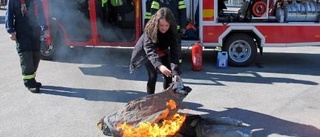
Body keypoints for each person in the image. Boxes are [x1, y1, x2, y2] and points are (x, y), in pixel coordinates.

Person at [130, 7, 181, 94]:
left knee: (169, 75)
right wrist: (160, 66)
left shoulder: (173, 30)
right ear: (157, 23)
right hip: (147, 53)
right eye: (161, 25)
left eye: (166, 25)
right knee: (153, 75)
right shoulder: (150, 29)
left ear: (170, 24)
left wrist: (175, 72)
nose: (164, 28)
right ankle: (150, 98)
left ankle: (166, 97)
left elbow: (175, 52)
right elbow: (149, 50)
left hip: (162, 51)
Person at [5, 0, 48, 93]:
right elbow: (9, 14)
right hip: (22, 31)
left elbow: (41, 13)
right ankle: (29, 82)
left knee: (36, 55)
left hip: (35, 30)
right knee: (26, 56)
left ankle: (32, 79)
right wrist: (11, 31)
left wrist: (44, 28)